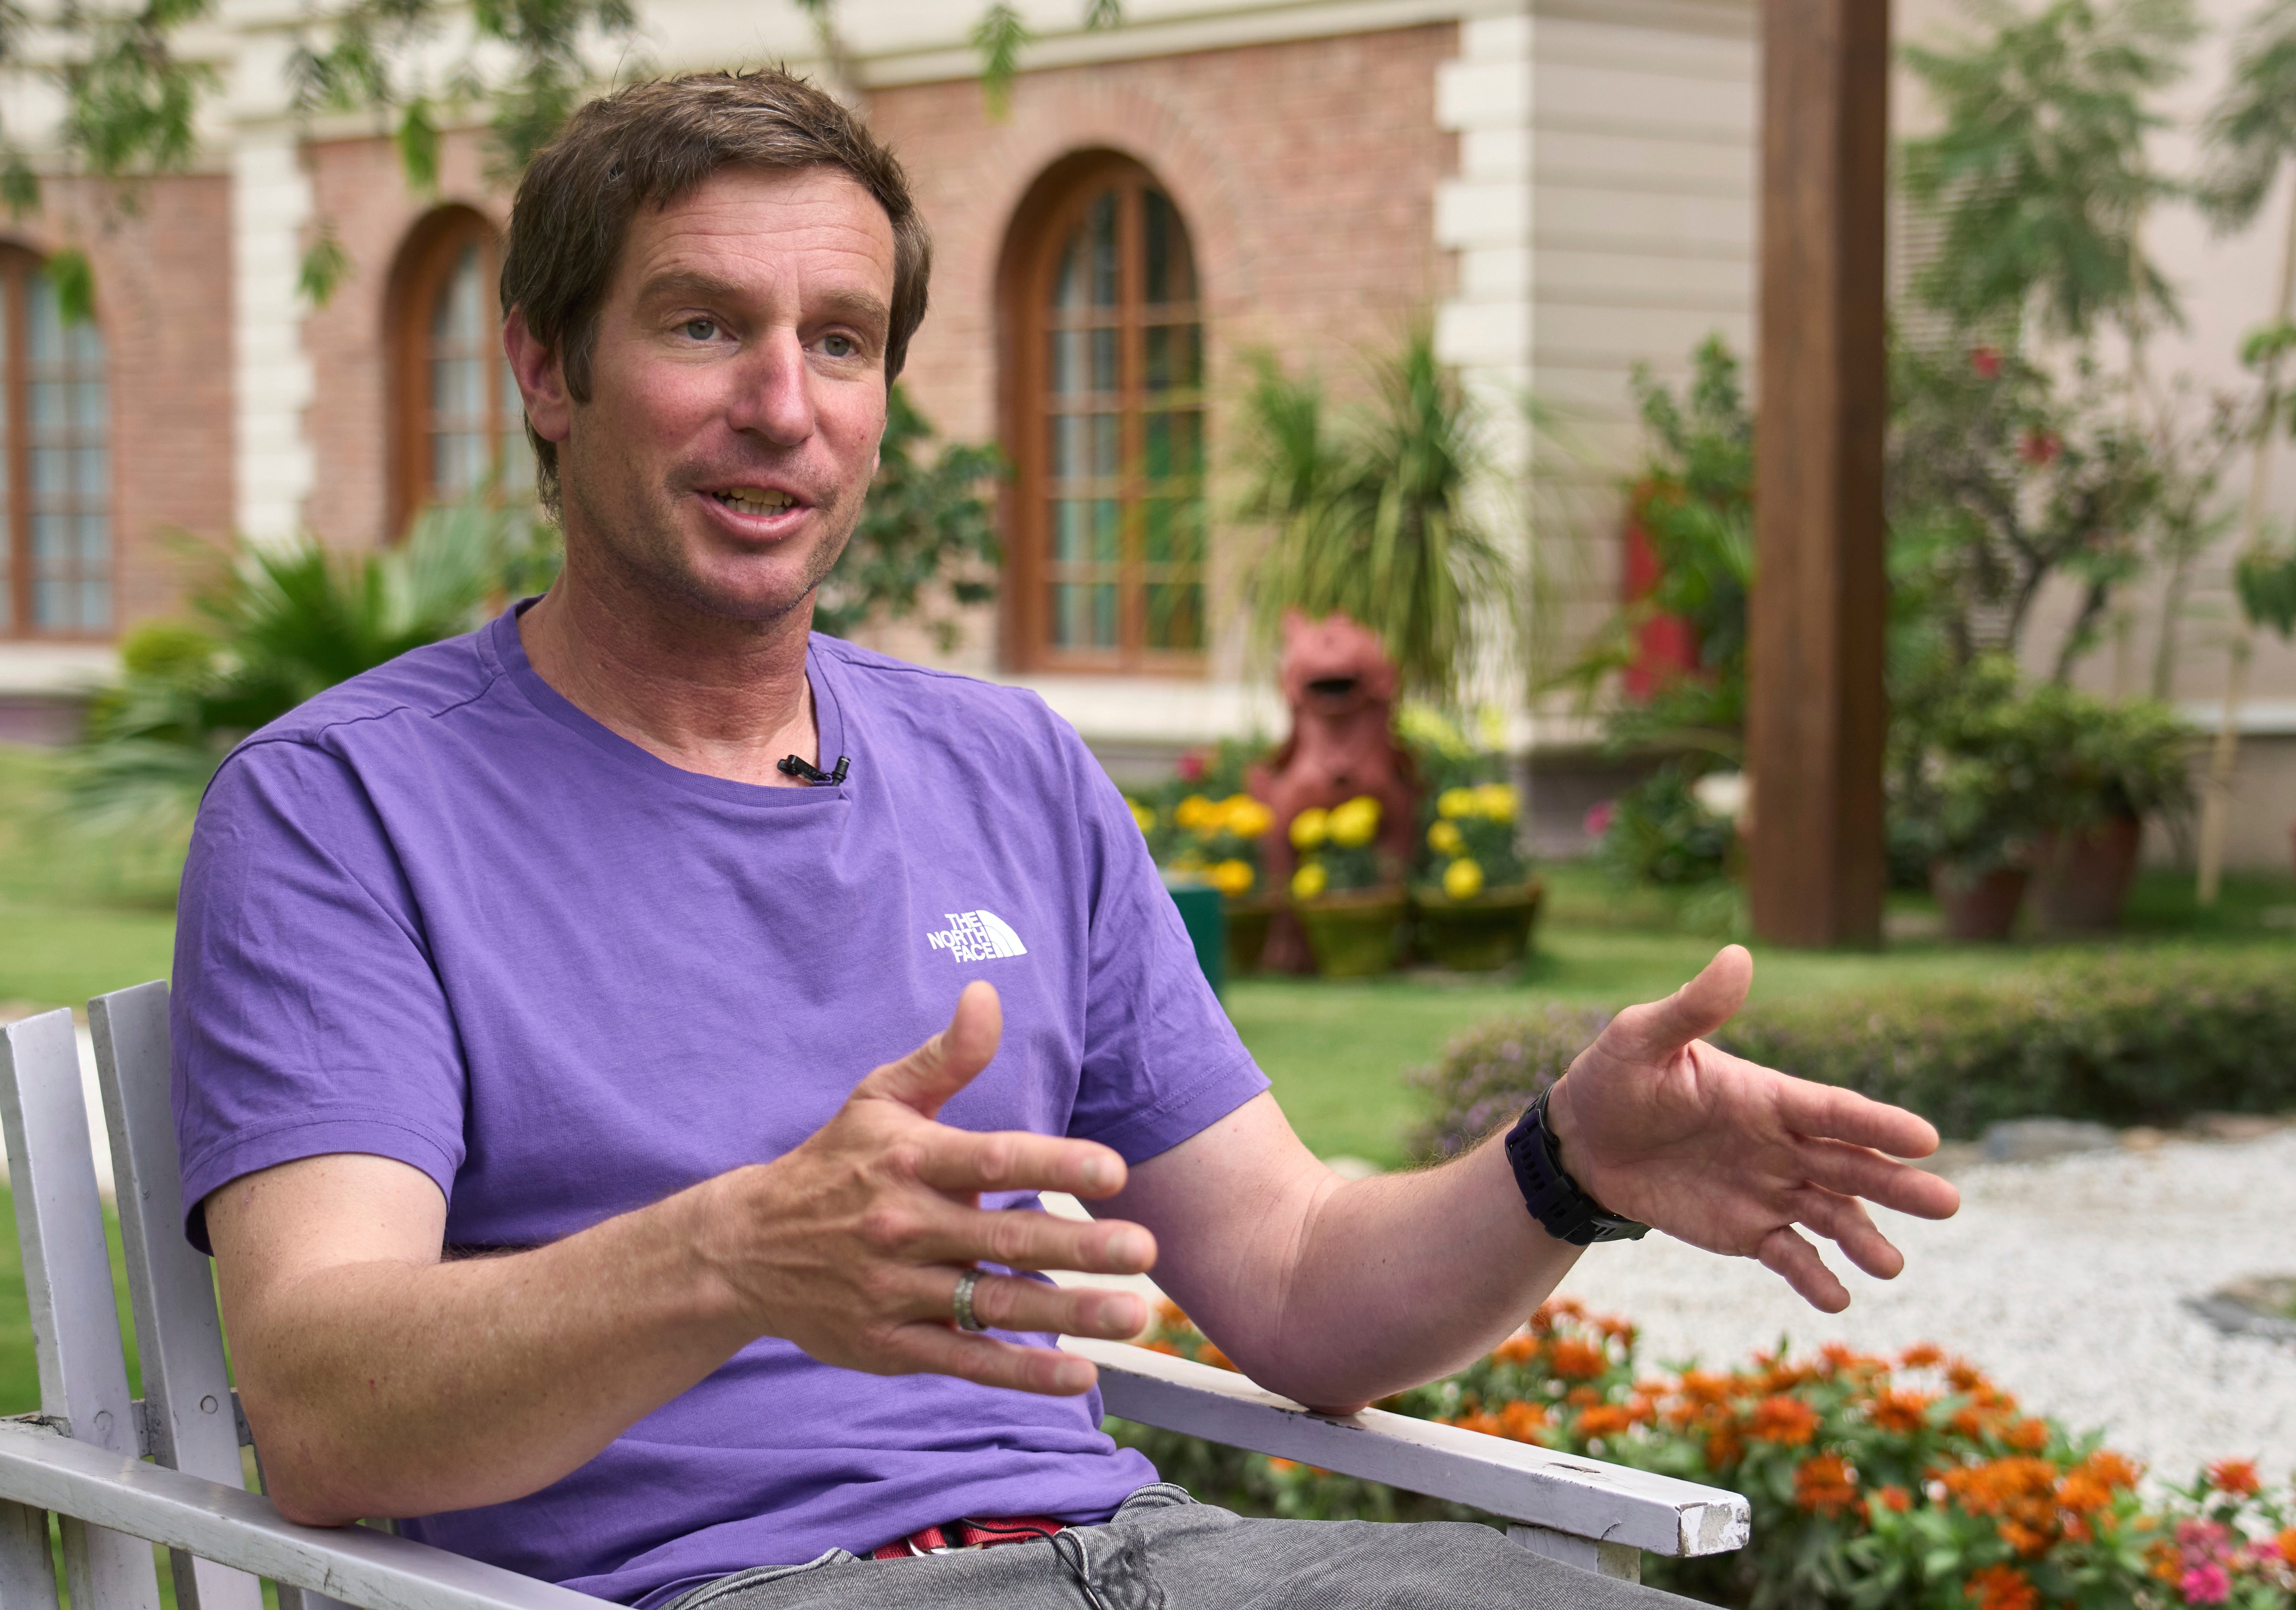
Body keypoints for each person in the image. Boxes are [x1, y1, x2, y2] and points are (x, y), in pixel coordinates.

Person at [172, 69, 1961, 1610]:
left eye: (843, 343)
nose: (784, 406)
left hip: (1138, 1557)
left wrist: (1565, 1163)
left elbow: (1297, 1284)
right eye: (705, 324)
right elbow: (326, 1409)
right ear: (548, 371)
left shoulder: (1007, 769)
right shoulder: (345, 812)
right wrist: (731, 1253)